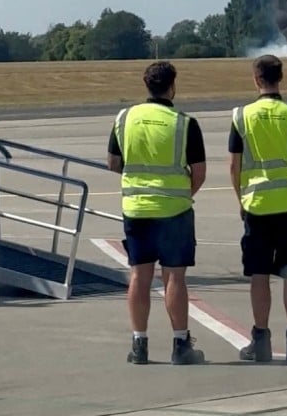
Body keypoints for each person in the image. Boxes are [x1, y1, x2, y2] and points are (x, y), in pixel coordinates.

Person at [107, 61, 207, 366]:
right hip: (174, 209)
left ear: (146, 85)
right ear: (172, 86)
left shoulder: (125, 118)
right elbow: (199, 173)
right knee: (174, 276)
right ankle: (180, 344)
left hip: (136, 208)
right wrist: (181, 194)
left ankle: (139, 344)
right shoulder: (184, 123)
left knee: (139, 274)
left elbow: (113, 162)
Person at [229, 54, 287, 362]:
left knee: (259, 273)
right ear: (280, 78)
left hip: (257, 205)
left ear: (256, 79)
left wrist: (241, 201)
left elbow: (234, 165)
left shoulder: (242, 116)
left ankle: (260, 339)